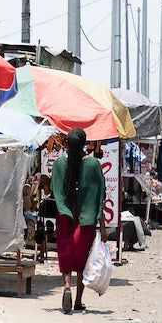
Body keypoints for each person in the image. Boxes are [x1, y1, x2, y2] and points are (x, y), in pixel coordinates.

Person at [50, 127, 106, 313]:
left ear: (66, 143)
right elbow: (100, 195)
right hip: (86, 217)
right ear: (85, 144)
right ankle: (79, 300)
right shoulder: (93, 164)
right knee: (82, 258)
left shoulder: (59, 164)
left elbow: (53, 189)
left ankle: (67, 286)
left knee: (66, 253)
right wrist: (103, 225)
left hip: (65, 214)